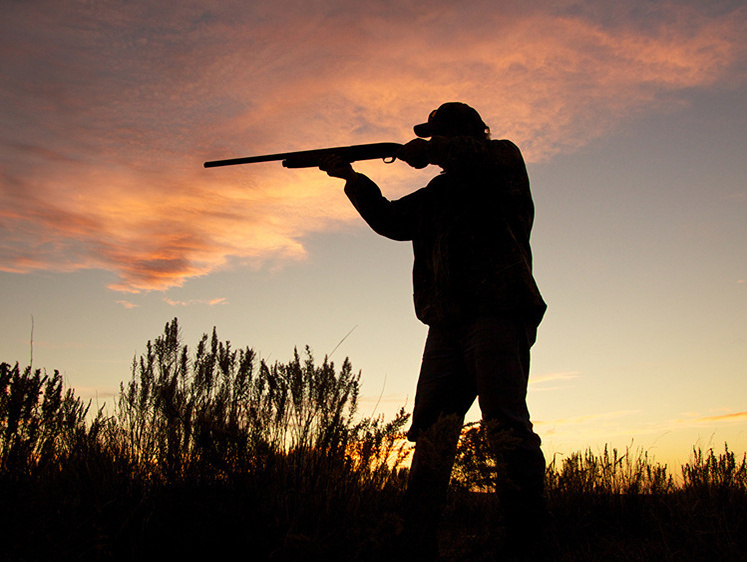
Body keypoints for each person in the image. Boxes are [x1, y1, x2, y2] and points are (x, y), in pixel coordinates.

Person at [319, 102, 548, 559]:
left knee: (506, 426)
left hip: (498, 311)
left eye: (437, 135)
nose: (429, 143)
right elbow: (389, 221)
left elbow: (469, 155)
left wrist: (431, 150)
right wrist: (350, 177)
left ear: (461, 136)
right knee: (432, 434)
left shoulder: (503, 161)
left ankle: (529, 547)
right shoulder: (437, 195)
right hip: (446, 323)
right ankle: (415, 544)